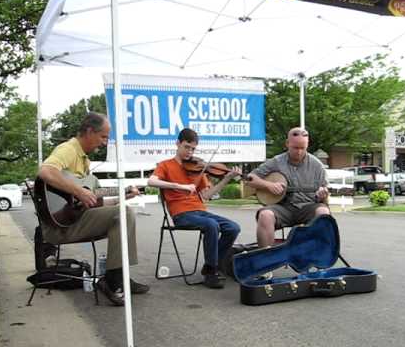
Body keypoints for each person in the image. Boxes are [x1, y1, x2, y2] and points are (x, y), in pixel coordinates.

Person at [38, 112, 149, 306]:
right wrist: (78, 191)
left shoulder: (85, 162)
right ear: (89, 131)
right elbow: (45, 171)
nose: (105, 142)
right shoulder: (68, 149)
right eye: (103, 136)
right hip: (59, 226)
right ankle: (113, 281)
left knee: (122, 210)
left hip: (76, 220)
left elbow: (94, 202)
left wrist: (122, 196)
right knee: (124, 214)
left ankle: (118, 277)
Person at [148, 128, 241, 289]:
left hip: (200, 211)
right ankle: (211, 271)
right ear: (177, 144)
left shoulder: (198, 167)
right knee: (212, 225)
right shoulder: (165, 165)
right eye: (186, 147)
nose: (189, 152)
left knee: (233, 228)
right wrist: (178, 186)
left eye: (193, 149)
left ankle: (213, 264)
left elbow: (206, 195)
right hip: (181, 214)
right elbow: (151, 181)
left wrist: (226, 179)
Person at [246, 127, 330, 248]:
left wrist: (323, 195)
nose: (299, 152)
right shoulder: (276, 161)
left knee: (323, 212)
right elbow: (250, 178)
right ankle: (265, 257)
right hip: (283, 207)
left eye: (303, 148)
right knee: (265, 215)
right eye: (295, 148)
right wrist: (269, 185)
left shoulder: (317, 166)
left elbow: (324, 194)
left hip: (308, 206)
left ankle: (317, 253)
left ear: (308, 145)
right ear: (287, 144)